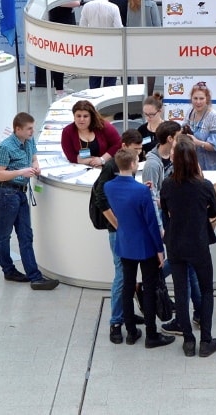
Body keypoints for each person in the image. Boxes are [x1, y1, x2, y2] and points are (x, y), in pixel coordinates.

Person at [104, 148, 175, 349]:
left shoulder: (109, 187)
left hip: (125, 243)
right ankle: (152, 334)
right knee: (150, 288)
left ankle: (131, 332)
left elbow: (126, 202)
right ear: (134, 164)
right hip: (145, 246)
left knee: (127, 286)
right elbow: (151, 223)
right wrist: (159, 249)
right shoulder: (142, 192)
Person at [159, 142, 216, 358]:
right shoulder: (204, 185)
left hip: (175, 243)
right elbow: (213, 210)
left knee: (181, 291)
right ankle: (206, 339)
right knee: (206, 290)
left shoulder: (167, 184)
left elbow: (165, 211)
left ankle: (188, 340)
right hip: (198, 243)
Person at [0, 112, 59, 290]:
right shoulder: (5, 147)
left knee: (26, 235)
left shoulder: (29, 141)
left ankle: (35, 277)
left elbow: (34, 158)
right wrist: (21, 172)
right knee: (4, 235)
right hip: (7, 193)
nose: (32, 131)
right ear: (18, 129)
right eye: (29, 128)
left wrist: (35, 166)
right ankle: (8, 269)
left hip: (21, 194)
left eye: (33, 127)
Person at [91, 135, 127, 344]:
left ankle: (126, 313)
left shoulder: (125, 172)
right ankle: (116, 321)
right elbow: (101, 198)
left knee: (127, 274)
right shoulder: (111, 171)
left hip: (127, 231)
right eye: (135, 149)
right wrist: (117, 225)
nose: (138, 154)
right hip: (118, 231)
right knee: (121, 275)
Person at [184, 84, 216, 171]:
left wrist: (197, 142)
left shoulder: (213, 116)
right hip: (198, 162)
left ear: (207, 99)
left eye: (201, 98)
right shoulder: (190, 112)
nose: (198, 102)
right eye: (195, 98)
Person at [61, 100, 122, 166]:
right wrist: (90, 161)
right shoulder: (67, 132)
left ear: (91, 117)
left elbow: (118, 144)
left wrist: (102, 159)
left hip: (106, 165)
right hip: (81, 167)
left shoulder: (104, 126)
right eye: (78, 116)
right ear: (74, 116)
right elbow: (70, 156)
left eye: (85, 116)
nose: (81, 119)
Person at [79, 0, 123, 88]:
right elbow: (119, 28)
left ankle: (94, 101)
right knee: (110, 78)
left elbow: (82, 27)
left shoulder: (87, 6)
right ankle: (109, 101)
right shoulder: (114, 7)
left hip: (93, 46)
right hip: (110, 46)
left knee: (94, 77)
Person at [136, 93, 165, 160]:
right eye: (146, 114)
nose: (148, 118)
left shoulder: (168, 129)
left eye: (151, 114)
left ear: (160, 111)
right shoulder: (141, 130)